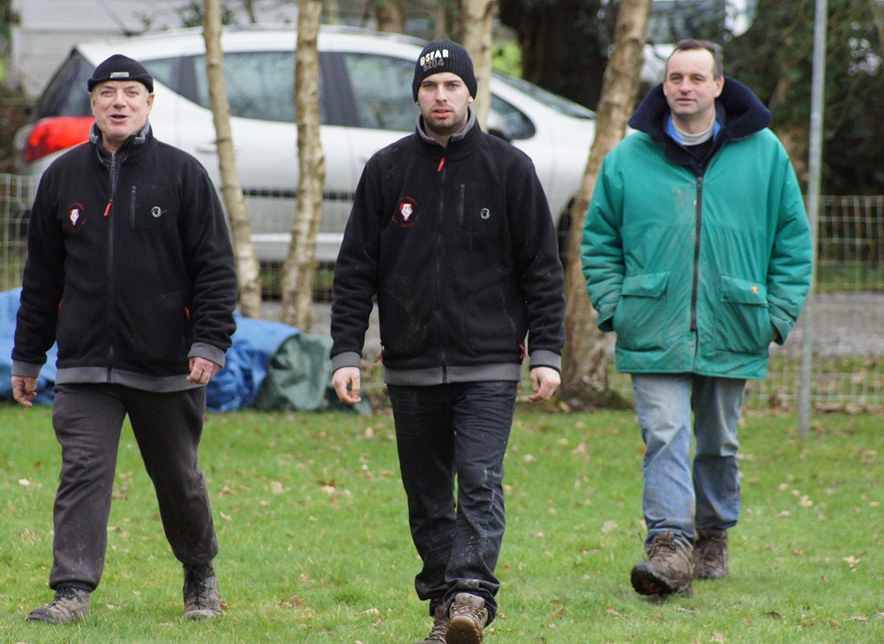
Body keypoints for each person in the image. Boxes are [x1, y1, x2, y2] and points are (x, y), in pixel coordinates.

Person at [329, 39, 565, 643]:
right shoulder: (386, 170)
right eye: (430, 87)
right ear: (417, 94)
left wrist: (545, 352)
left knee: (480, 478)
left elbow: (541, 267)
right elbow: (356, 268)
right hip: (409, 364)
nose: (441, 96)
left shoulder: (509, 170)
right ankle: (445, 608)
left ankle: (471, 596)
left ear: (469, 93)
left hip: (488, 361)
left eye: (452, 86)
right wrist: (346, 352)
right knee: (427, 494)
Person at [581, 39, 812, 598]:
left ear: (717, 87)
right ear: (664, 87)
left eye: (696, 77)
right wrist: (615, 305)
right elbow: (598, 240)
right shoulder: (627, 159)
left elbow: (793, 242)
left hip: (735, 322)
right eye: (674, 77)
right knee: (664, 433)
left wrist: (774, 315)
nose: (684, 86)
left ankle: (712, 533)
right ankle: (668, 544)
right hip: (651, 323)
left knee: (718, 443)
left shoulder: (765, 155)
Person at [11, 54, 238, 623]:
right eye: (108, 92)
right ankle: (72, 591)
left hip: (168, 365)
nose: (119, 101)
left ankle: (200, 575)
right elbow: (41, 279)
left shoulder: (184, 175)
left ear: (149, 103)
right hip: (86, 364)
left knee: (178, 480)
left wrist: (208, 343)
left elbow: (215, 269)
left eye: (131, 92)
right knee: (82, 472)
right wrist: (27, 356)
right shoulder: (61, 178)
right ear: (92, 103)